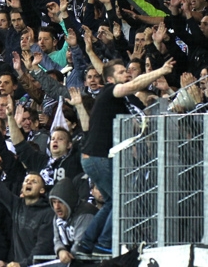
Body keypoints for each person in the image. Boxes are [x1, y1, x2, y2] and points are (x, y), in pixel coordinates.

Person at [78, 58, 175, 255]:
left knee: (112, 202)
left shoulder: (119, 101)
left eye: (126, 71)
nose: (127, 74)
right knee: (122, 200)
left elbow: (136, 123)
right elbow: (133, 85)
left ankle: (86, 244)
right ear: (111, 79)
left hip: (93, 158)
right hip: (99, 158)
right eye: (122, 72)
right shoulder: (110, 91)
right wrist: (161, 70)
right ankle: (104, 244)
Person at [49, 177, 97, 264]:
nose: (56, 207)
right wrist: (60, 251)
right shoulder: (57, 217)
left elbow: (79, 244)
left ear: (69, 201)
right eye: (54, 202)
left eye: (60, 202)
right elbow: (57, 240)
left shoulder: (85, 213)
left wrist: (66, 256)